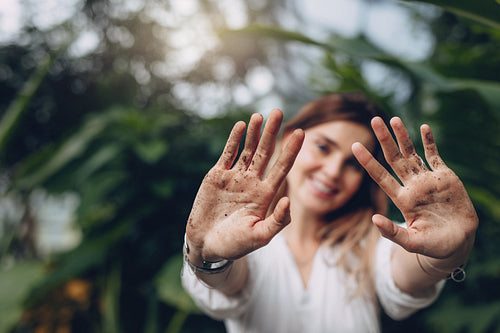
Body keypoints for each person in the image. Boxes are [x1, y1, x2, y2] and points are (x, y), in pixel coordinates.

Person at [181, 92, 478, 332]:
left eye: (352, 164)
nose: (333, 171)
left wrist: (445, 256)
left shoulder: (372, 244)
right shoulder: (243, 239)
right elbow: (229, 286)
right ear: (288, 140)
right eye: (324, 147)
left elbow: (411, 268)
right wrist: (211, 257)